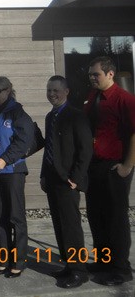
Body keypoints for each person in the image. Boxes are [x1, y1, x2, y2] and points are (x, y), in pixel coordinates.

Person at [84, 56, 135, 286]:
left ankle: (121, 269)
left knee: (116, 218)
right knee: (96, 216)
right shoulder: (94, 96)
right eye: (91, 75)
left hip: (115, 166)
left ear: (110, 74)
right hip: (95, 166)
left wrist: (127, 166)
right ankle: (104, 261)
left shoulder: (124, 99)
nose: (93, 78)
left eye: (97, 74)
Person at [38, 76, 93, 289]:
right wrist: (43, 174)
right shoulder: (50, 116)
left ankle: (79, 271)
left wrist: (76, 178)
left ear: (66, 91)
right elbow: (49, 150)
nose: (52, 94)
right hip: (52, 179)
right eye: (49, 90)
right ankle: (68, 266)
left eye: (56, 90)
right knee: (59, 226)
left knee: (71, 227)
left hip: (68, 181)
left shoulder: (76, 116)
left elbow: (86, 150)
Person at [0, 76, 35, 278]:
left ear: (8, 90)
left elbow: (23, 141)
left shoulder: (17, 113)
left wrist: (5, 159)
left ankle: (20, 260)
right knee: (0, 218)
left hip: (12, 171)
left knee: (16, 217)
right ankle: (3, 259)